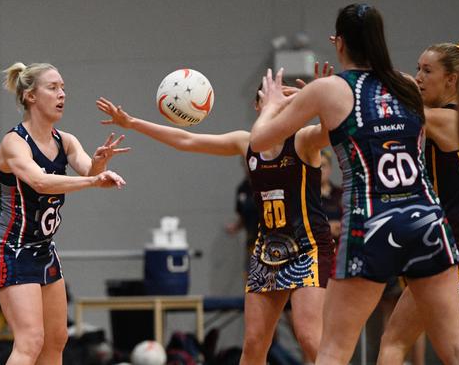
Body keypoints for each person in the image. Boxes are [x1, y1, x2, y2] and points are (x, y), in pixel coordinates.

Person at [249, 4, 459, 365]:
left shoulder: (329, 88)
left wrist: (273, 105)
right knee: (456, 348)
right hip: (426, 219)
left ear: (338, 43)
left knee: (333, 351)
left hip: (372, 221)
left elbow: (261, 140)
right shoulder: (404, 84)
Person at [96, 67, 334, 364]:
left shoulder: (304, 140)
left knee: (310, 338)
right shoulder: (245, 143)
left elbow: (332, 130)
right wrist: (131, 123)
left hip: (307, 247)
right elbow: (187, 140)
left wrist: (325, 97)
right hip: (268, 250)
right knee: (254, 343)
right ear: (258, 106)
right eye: (269, 98)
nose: (276, 103)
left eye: (284, 98)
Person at [0, 62, 128, 365]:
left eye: (63, 88)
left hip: (42, 248)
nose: (62, 94)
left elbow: (89, 170)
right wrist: (92, 180)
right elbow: (40, 181)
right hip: (10, 246)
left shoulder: (66, 140)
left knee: (56, 339)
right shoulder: (14, 143)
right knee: (30, 341)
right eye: (53, 87)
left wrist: (100, 163)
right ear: (30, 96)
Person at [378, 42, 459, 363]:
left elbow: (393, 109)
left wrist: (337, 89)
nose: (419, 77)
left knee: (393, 343)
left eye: (428, 71)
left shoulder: (443, 120)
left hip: (456, 244)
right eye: (418, 69)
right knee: (456, 349)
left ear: (452, 80)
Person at [319, 151, 342, 243]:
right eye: (317, 166)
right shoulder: (306, 196)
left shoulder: (341, 193)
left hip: (341, 243)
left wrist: (342, 226)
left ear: (330, 168)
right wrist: (327, 228)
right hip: (319, 245)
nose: (320, 170)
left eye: (323, 165)